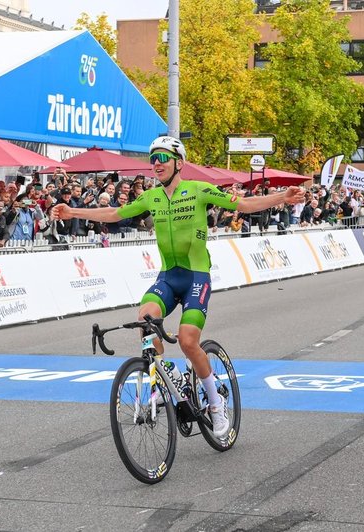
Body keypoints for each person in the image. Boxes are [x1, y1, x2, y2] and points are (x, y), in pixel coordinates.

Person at [55, 136, 304, 438]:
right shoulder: (151, 197)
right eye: (152, 159)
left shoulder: (198, 190)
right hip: (168, 277)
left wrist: (281, 198)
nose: (156, 164)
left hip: (196, 278)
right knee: (145, 319)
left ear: (179, 163)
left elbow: (245, 203)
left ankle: (215, 401)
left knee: (187, 341)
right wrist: (73, 213)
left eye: (162, 158)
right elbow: (114, 214)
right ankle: (162, 377)